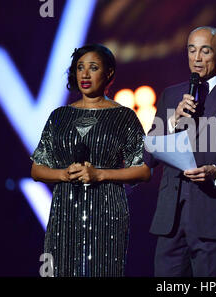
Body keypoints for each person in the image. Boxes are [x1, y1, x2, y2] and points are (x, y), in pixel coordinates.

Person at [143, 26, 216, 276]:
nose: (197, 58)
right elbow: (148, 155)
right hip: (170, 220)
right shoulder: (171, 95)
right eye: (192, 50)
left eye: (205, 51)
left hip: (212, 217)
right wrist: (172, 123)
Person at [30, 44, 150, 277]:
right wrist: (62, 174)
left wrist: (100, 174)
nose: (84, 74)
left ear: (109, 73)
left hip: (108, 211)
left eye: (93, 68)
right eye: (79, 68)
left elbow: (144, 170)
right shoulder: (59, 116)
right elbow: (37, 168)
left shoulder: (124, 116)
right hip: (64, 212)